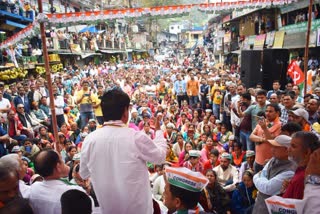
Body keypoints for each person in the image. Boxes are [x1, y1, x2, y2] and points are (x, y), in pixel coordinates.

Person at [80, 88, 167, 214]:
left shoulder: (89, 140)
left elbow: (84, 173)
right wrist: (158, 132)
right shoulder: (136, 137)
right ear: (125, 112)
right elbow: (160, 157)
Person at [29, 149, 90, 214]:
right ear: (58, 167)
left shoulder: (34, 188)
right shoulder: (74, 191)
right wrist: (87, 188)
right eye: (61, 160)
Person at [252, 135, 296, 214]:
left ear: (287, 150)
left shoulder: (290, 170)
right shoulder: (274, 159)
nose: (272, 149)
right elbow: (263, 173)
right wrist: (262, 178)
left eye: (276, 147)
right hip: (260, 205)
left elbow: (267, 188)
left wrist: (255, 177)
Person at [282, 131, 320, 199]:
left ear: (306, 152)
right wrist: (290, 188)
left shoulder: (302, 178)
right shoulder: (302, 173)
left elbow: (296, 207)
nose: (288, 149)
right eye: (290, 145)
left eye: (293, 146)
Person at [249, 104, 282, 173]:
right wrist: (263, 139)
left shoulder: (280, 125)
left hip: (269, 162)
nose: (267, 113)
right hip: (257, 160)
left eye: (270, 111)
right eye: (266, 111)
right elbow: (251, 137)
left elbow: (271, 141)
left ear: (277, 113)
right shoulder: (263, 122)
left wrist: (264, 128)